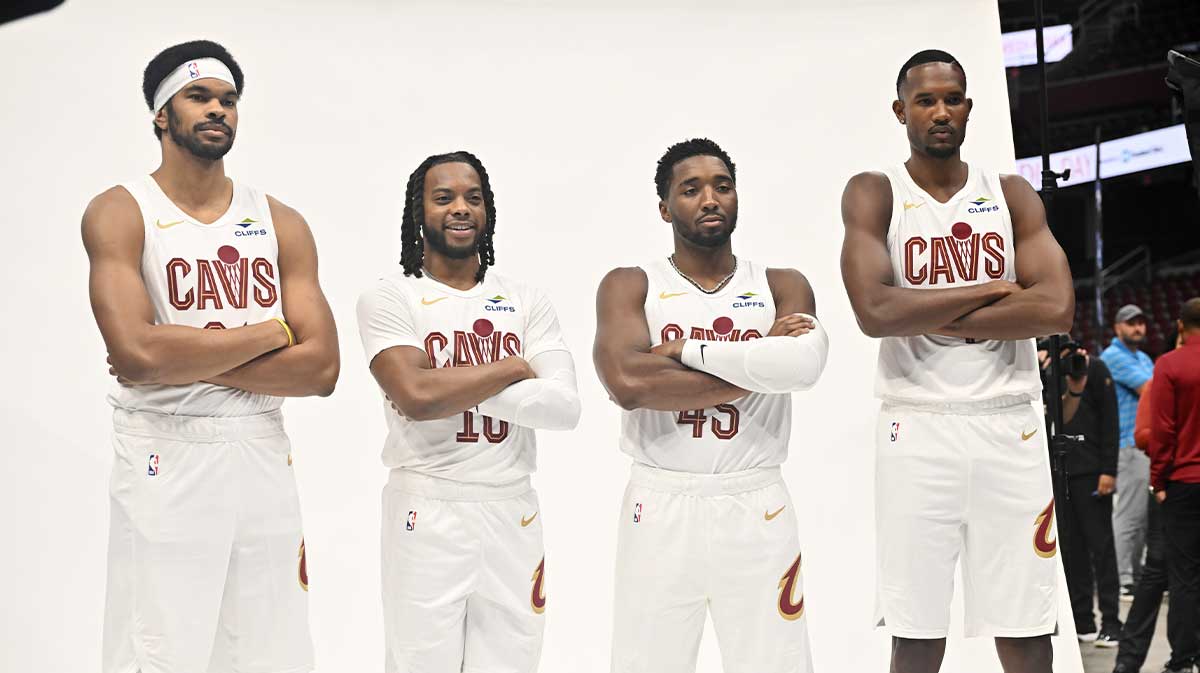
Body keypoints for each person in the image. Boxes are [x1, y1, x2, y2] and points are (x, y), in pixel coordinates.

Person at [84, 40, 340, 673]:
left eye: (228, 100)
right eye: (198, 97)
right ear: (161, 115)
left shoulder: (279, 219)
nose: (217, 109)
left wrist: (182, 354)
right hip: (165, 450)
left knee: (272, 647)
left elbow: (323, 370)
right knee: (162, 648)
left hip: (260, 446)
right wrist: (272, 329)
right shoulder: (121, 211)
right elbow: (137, 354)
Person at [839, 50, 1074, 673]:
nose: (940, 111)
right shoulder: (875, 191)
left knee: (1027, 622)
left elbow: (1055, 309)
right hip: (917, 423)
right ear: (901, 110)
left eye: (953, 99)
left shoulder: (1010, 193)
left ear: (970, 106)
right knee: (916, 628)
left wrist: (915, 305)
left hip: (1009, 421)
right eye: (925, 100)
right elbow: (872, 314)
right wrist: (995, 288)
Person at [594, 138, 829, 673]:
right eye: (691, 188)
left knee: (777, 663)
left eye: (722, 186)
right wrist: (758, 354)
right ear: (663, 207)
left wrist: (683, 354)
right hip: (660, 501)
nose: (710, 199)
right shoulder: (631, 284)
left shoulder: (781, 284)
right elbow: (628, 381)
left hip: (757, 501)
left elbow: (802, 368)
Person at [356, 151, 581, 673]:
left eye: (473, 198)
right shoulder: (391, 297)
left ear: (489, 211)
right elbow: (415, 397)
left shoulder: (526, 299)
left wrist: (445, 381)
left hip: (512, 510)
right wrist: (510, 367)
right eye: (444, 198)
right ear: (419, 212)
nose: (461, 208)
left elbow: (564, 407)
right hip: (428, 509)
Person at [1115, 324, 1190, 673]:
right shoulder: (1165, 372)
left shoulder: (1167, 369)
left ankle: (1179, 659)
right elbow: (1145, 434)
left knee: (1171, 577)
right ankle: (1133, 661)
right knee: (1158, 573)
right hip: (1170, 485)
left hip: (1173, 483)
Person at [1036, 341, 1121, 647]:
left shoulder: (1094, 367)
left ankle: (1111, 621)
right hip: (1058, 473)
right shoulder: (1043, 369)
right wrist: (1044, 368)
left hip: (1092, 471)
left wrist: (1109, 469)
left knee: (1102, 548)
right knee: (1071, 551)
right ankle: (1082, 619)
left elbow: (1111, 421)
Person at [1148, 297, 1200, 672]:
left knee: (1184, 577)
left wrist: (1157, 479)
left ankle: (1183, 658)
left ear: (1180, 325)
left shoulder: (1169, 365)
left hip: (1183, 481)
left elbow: (1163, 431)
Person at [1101, 303, 1156, 596]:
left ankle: (1136, 575)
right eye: (1131, 323)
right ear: (1118, 327)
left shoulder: (1144, 357)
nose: (1138, 328)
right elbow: (1151, 389)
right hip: (1128, 444)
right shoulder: (1113, 356)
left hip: (1146, 447)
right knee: (1129, 516)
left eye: (1141, 322)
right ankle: (1123, 578)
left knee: (1145, 518)